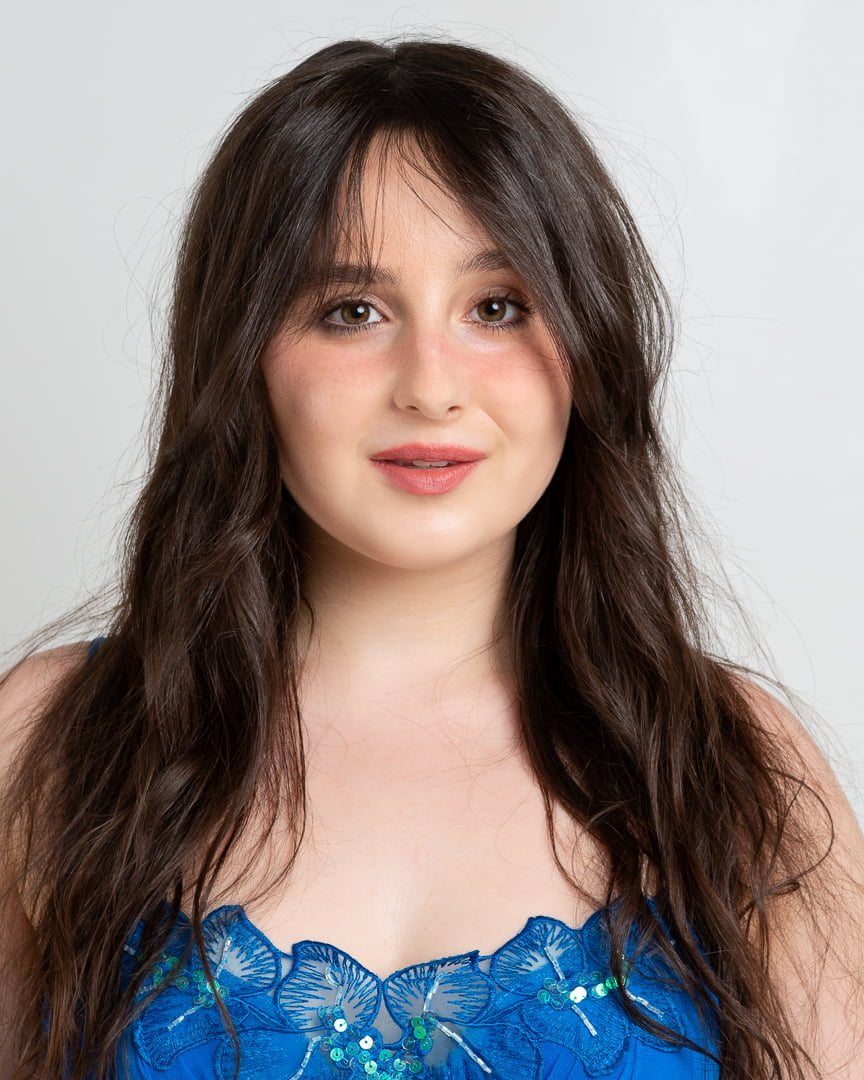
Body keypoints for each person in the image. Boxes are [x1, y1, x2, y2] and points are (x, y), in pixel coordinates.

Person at [1, 34, 862, 1080]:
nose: (430, 385)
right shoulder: (48, 743)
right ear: (244, 356)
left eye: (497, 308)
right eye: (351, 312)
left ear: (589, 347)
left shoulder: (734, 763)